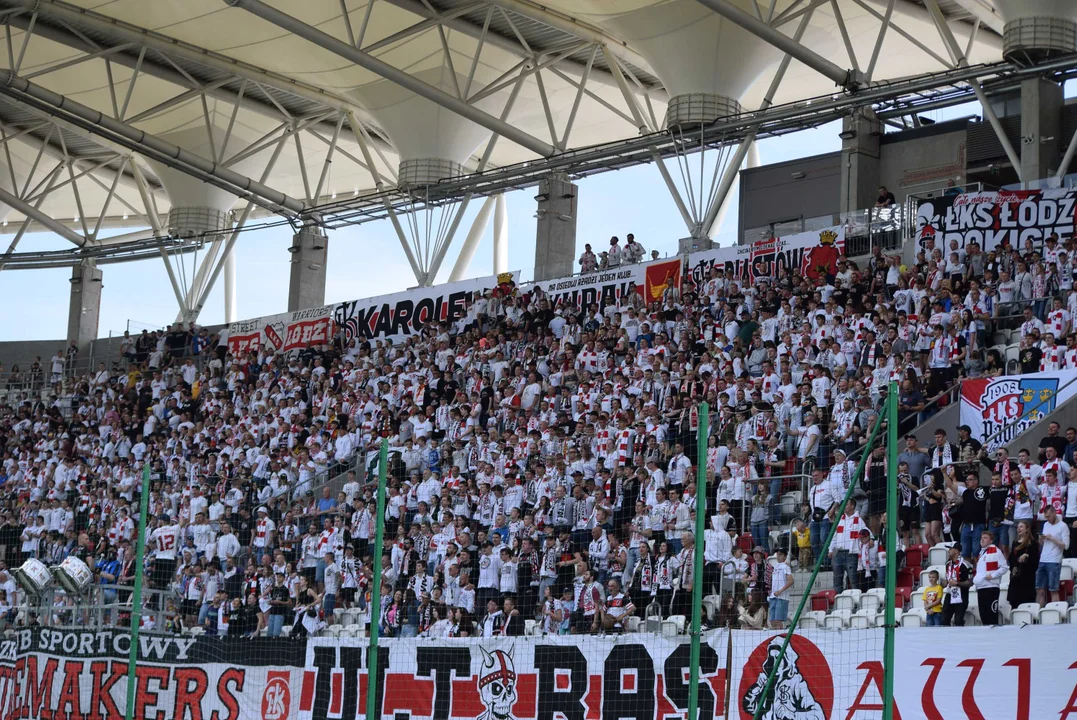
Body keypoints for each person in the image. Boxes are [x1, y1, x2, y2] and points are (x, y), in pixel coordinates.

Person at [973, 530, 1008, 626]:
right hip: (981, 588)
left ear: (991, 541)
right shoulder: (981, 553)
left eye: (985, 538)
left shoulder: (995, 550)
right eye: (982, 538)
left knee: (991, 615)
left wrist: (993, 576)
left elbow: (1004, 567)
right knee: (983, 616)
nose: (982, 539)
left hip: (991, 587)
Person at [1037, 504, 1070, 606]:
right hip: (1043, 559)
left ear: (1054, 513)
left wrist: (1052, 539)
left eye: (1049, 516)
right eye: (1046, 517)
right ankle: (1038, 615)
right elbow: (1042, 543)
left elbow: (1066, 546)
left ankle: (1055, 613)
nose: (1047, 519)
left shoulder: (1063, 526)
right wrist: (1041, 539)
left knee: (1053, 590)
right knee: (1039, 589)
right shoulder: (1046, 525)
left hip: (1054, 561)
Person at [1007, 519, 1039, 609]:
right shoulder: (1014, 543)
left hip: (1027, 578)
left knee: (1026, 602)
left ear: (1027, 529)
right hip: (1016, 578)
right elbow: (1011, 559)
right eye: (1018, 527)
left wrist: (1027, 556)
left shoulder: (1032, 544)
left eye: (1021, 527)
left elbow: (1035, 561)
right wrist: (1015, 563)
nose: (1018, 529)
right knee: (1015, 603)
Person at [942, 543, 972, 626]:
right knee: (944, 619)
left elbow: (970, 582)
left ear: (956, 551)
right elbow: (947, 579)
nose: (948, 551)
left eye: (950, 549)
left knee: (958, 620)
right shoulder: (948, 564)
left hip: (962, 594)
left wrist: (957, 583)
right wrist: (944, 583)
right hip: (950, 593)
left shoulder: (965, 564)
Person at [767, 549, 793, 629]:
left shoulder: (786, 567)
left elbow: (791, 581)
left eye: (780, 555)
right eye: (777, 554)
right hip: (773, 596)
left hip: (782, 596)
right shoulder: (776, 567)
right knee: (772, 620)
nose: (778, 556)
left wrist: (780, 591)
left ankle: (780, 636)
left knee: (778, 620)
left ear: (785, 557)